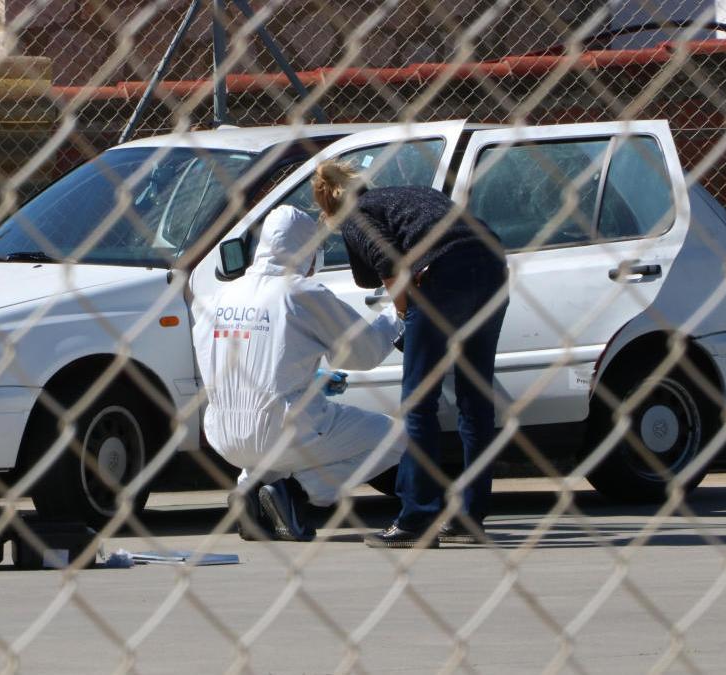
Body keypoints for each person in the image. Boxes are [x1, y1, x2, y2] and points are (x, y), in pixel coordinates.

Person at [311, 160, 508, 548]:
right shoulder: (407, 195)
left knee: (419, 402)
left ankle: (416, 520)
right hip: (491, 265)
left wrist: (404, 316)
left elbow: (387, 267)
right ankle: (470, 516)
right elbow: (373, 270)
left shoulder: (355, 215)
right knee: (475, 400)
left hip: (443, 274)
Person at [193, 205, 405, 541]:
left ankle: (252, 492)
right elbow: (364, 353)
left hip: (224, 433)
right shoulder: (301, 293)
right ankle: (294, 494)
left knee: (274, 448)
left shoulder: (217, 297)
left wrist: (313, 378)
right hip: (283, 429)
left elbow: (246, 361)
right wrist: (397, 311)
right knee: (397, 438)